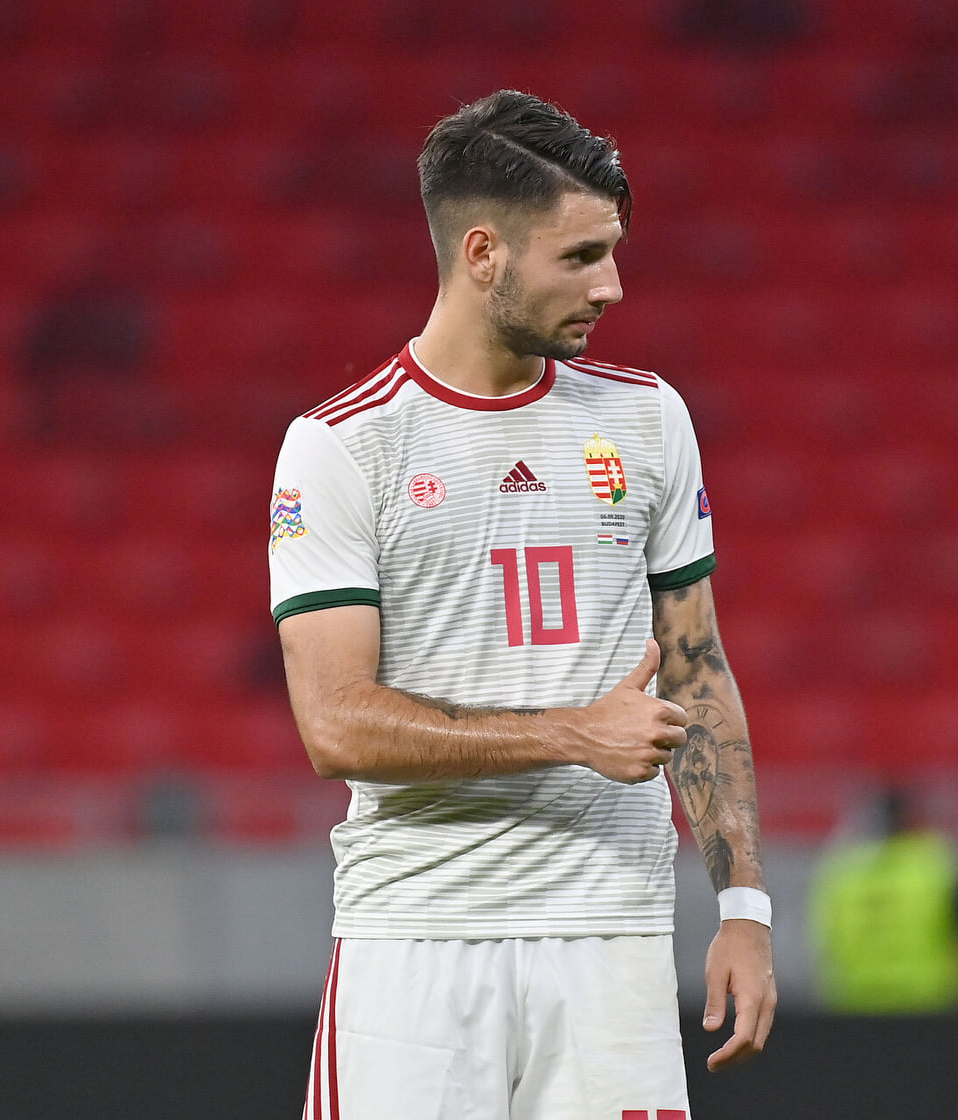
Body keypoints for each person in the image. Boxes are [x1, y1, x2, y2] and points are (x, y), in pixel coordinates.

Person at [270, 90, 775, 1119]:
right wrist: (572, 733)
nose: (612, 286)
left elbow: (695, 665)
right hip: (415, 940)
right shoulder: (342, 447)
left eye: (613, 252)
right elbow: (334, 725)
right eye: (580, 257)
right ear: (484, 254)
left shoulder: (648, 419)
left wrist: (745, 904)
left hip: (612, 935)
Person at [809, 787, 958, 1013]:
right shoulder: (936, 865)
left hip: (855, 1005)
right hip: (926, 1004)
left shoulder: (841, 872)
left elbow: (824, 940)